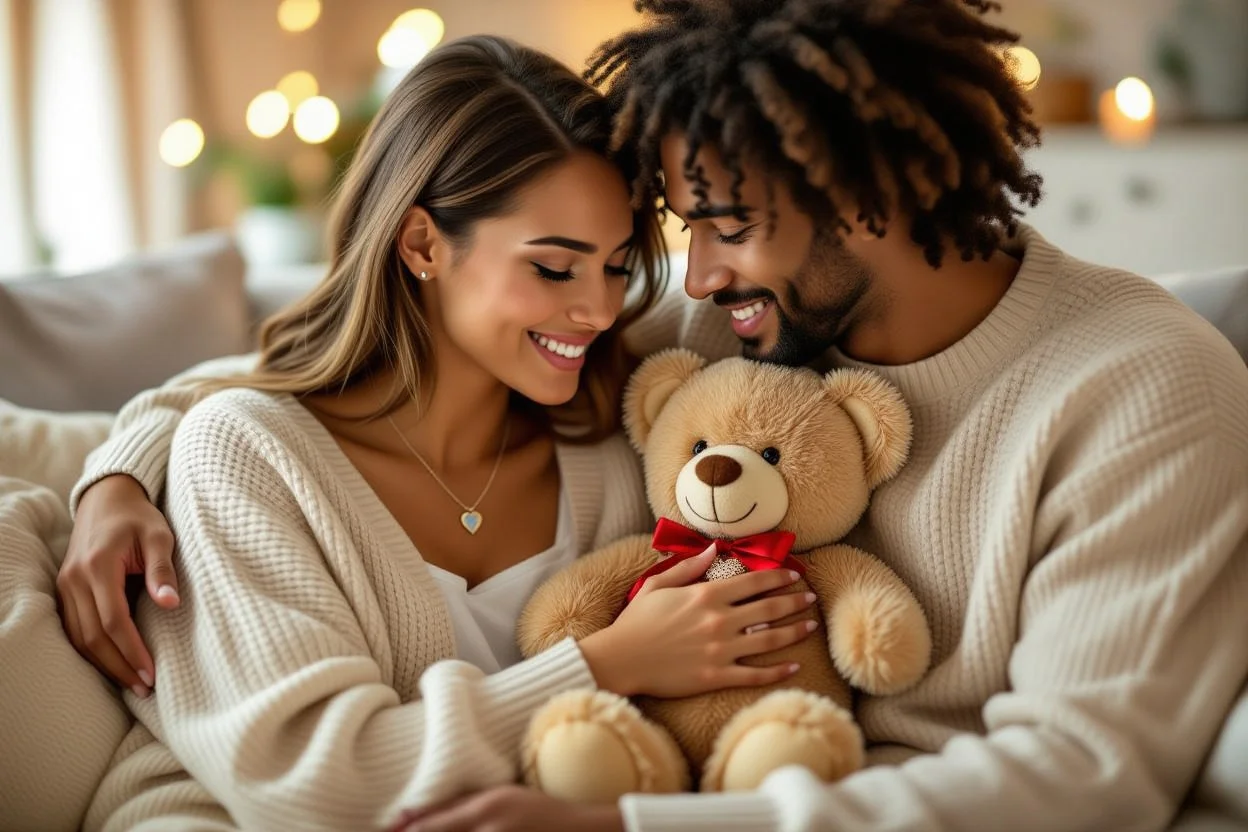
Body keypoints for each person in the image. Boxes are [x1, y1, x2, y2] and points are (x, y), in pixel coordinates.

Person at [60, 3, 1248, 832]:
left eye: (725, 224)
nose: (698, 276)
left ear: (864, 193)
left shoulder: (1141, 385)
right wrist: (121, 468)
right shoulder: (731, 332)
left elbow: (1084, 774)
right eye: (684, 232)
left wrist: (632, 825)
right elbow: (317, 380)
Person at [39, 34, 821, 831]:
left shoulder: (619, 414)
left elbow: (792, 305)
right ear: (421, 244)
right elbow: (317, 785)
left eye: (617, 267)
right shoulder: (252, 456)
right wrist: (608, 663)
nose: (596, 310)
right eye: (554, 268)